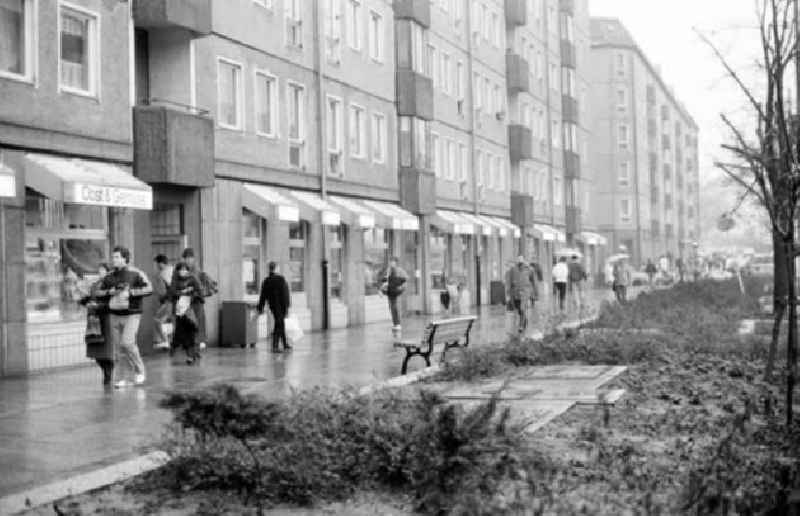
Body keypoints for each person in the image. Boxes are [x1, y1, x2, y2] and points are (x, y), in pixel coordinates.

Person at [97, 246, 153, 388]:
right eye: (113, 257)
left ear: (125, 258)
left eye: (117, 257)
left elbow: (149, 289)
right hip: (114, 315)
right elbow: (98, 292)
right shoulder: (109, 276)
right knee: (117, 349)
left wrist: (132, 293)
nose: (114, 259)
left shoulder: (136, 273)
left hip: (132, 314)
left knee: (127, 343)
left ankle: (140, 371)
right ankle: (121, 378)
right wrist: (111, 291)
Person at [173, 248, 217, 350]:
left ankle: (200, 340)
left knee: (199, 319)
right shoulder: (179, 271)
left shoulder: (198, 272)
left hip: (196, 299)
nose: (188, 260)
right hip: (184, 300)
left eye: (190, 258)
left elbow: (211, 285)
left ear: (193, 259)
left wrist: (202, 292)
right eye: (186, 258)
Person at [78, 263, 114, 386]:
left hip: (106, 319)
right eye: (99, 270)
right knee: (96, 349)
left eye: (103, 270)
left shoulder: (112, 285)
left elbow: (113, 303)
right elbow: (89, 298)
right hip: (94, 320)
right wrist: (83, 300)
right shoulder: (95, 285)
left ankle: (108, 372)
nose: (100, 272)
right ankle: (105, 370)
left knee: (106, 349)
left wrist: (98, 306)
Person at [169, 262, 203, 364]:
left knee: (190, 332)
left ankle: (191, 355)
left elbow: (200, 292)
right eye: (181, 270)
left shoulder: (193, 279)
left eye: (185, 270)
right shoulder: (175, 279)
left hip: (191, 310)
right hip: (179, 311)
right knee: (180, 332)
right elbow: (172, 292)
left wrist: (192, 293)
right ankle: (175, 346)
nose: (183, 272)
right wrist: (184, 292)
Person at [257, 261, 292, 353]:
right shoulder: (281, 279)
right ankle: (275, 346)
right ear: (276, 268)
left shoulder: (266, 281)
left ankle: (284, 344)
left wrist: (260, 307)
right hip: (281, 306)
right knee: (278, 325)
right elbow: (285, 294)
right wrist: (287, 307)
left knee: (280, 324)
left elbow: (262, 296)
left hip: (273, 306)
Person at [505, 256, 533, 333]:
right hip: (515, 293)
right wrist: (508, 293)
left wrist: (534, 294)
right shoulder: (512, 270)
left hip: (525, 292)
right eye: (519, 263)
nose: (520, 265)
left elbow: (533, 282)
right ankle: (525, 319)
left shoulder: (529, 270)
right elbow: (509, 282)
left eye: (522, 263)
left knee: (522, 308)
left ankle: (520, 326)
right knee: (518, 310)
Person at [381, 257, 408, 334]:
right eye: (390, 262)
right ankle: (395, 323)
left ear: (396, 262)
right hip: (390, 291)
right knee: (391, 307)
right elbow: (385, 280)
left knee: (394, 307)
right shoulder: (388, 270)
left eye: (393, 262)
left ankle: (397, 323)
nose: (391, 263)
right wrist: (383, 288)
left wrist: (401, 288)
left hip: (396, 292)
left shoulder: (399, 270)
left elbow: (405, 280)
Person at [152, 254, 173, 351]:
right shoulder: (173, 269)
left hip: (169, 301)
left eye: (157, 264)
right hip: (177, 301)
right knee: (170, 321)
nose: (156, 266)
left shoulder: (163, 274)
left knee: (157, 319)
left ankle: (166, 341)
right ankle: (170, 341)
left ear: (161, 263)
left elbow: (163, 291)